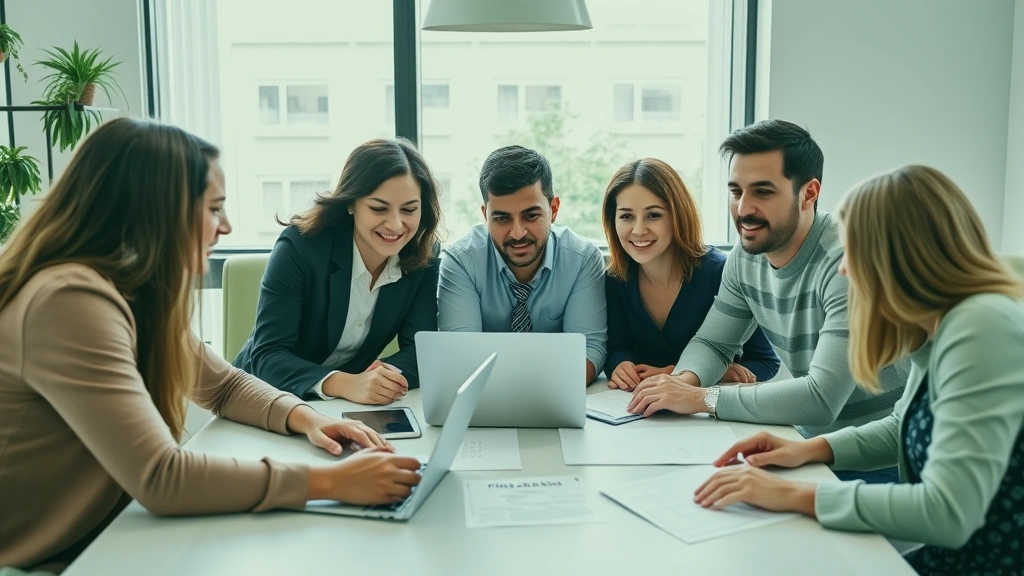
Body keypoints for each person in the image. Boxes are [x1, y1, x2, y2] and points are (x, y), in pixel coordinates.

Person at [0, 119, 422, 573]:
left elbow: (222, 388)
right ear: (158, 208)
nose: (226, 226)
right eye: (214, 208)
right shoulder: (69, 301)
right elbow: (161, 478)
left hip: (108, 534)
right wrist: (332, 482)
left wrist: (310, 420)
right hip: (46, 558)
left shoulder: (133, 291)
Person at [693, 165, 1024, 576]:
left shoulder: (982, 326)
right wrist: (808, 450)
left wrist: (796, 495)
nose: (845, 269)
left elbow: (948, 513)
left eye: (855, 251)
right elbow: (902, 423)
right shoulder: (939, 323)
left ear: (901, 253)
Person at [628, 121, 908, 455]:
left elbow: (821, 398)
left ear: (809, 193)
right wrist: (681, 383)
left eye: (763, 191)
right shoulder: (746, 258)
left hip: (884, 455)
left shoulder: (847, 263)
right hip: (807, 442)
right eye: (736, 192)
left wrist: (702, 398)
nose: (743, 209)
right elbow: (714, 343)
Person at [233, 138, 442, 403]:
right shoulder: (299, 247)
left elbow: (421, 351)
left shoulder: (424, 256)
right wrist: (345, 383)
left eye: (409, 209)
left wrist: (378, 379)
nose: (396, 224)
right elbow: (268, 356)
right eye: (379, 208)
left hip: (344, 406)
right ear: (350, 203)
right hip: (263, 398)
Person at [602, 158, 780, 390]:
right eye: (626, 216)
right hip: (642, 408)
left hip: (706, 414)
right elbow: (617, 347)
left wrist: (683, 374)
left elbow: (766, 362)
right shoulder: (616, 279)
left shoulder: (721, 273)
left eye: (653, 215)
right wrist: (620, 364)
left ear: (678, 215)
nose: (638, 230)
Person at [437, 145, 606, 384]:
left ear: (553, 209)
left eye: (531, 215)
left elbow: (589, 350)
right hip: (487, 402)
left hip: (556, 396)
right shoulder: (460, 262)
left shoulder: (583, 259)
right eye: (502, 218)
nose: (517, 233)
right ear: (486, 216)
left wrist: (534, 391)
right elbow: (462, 357)